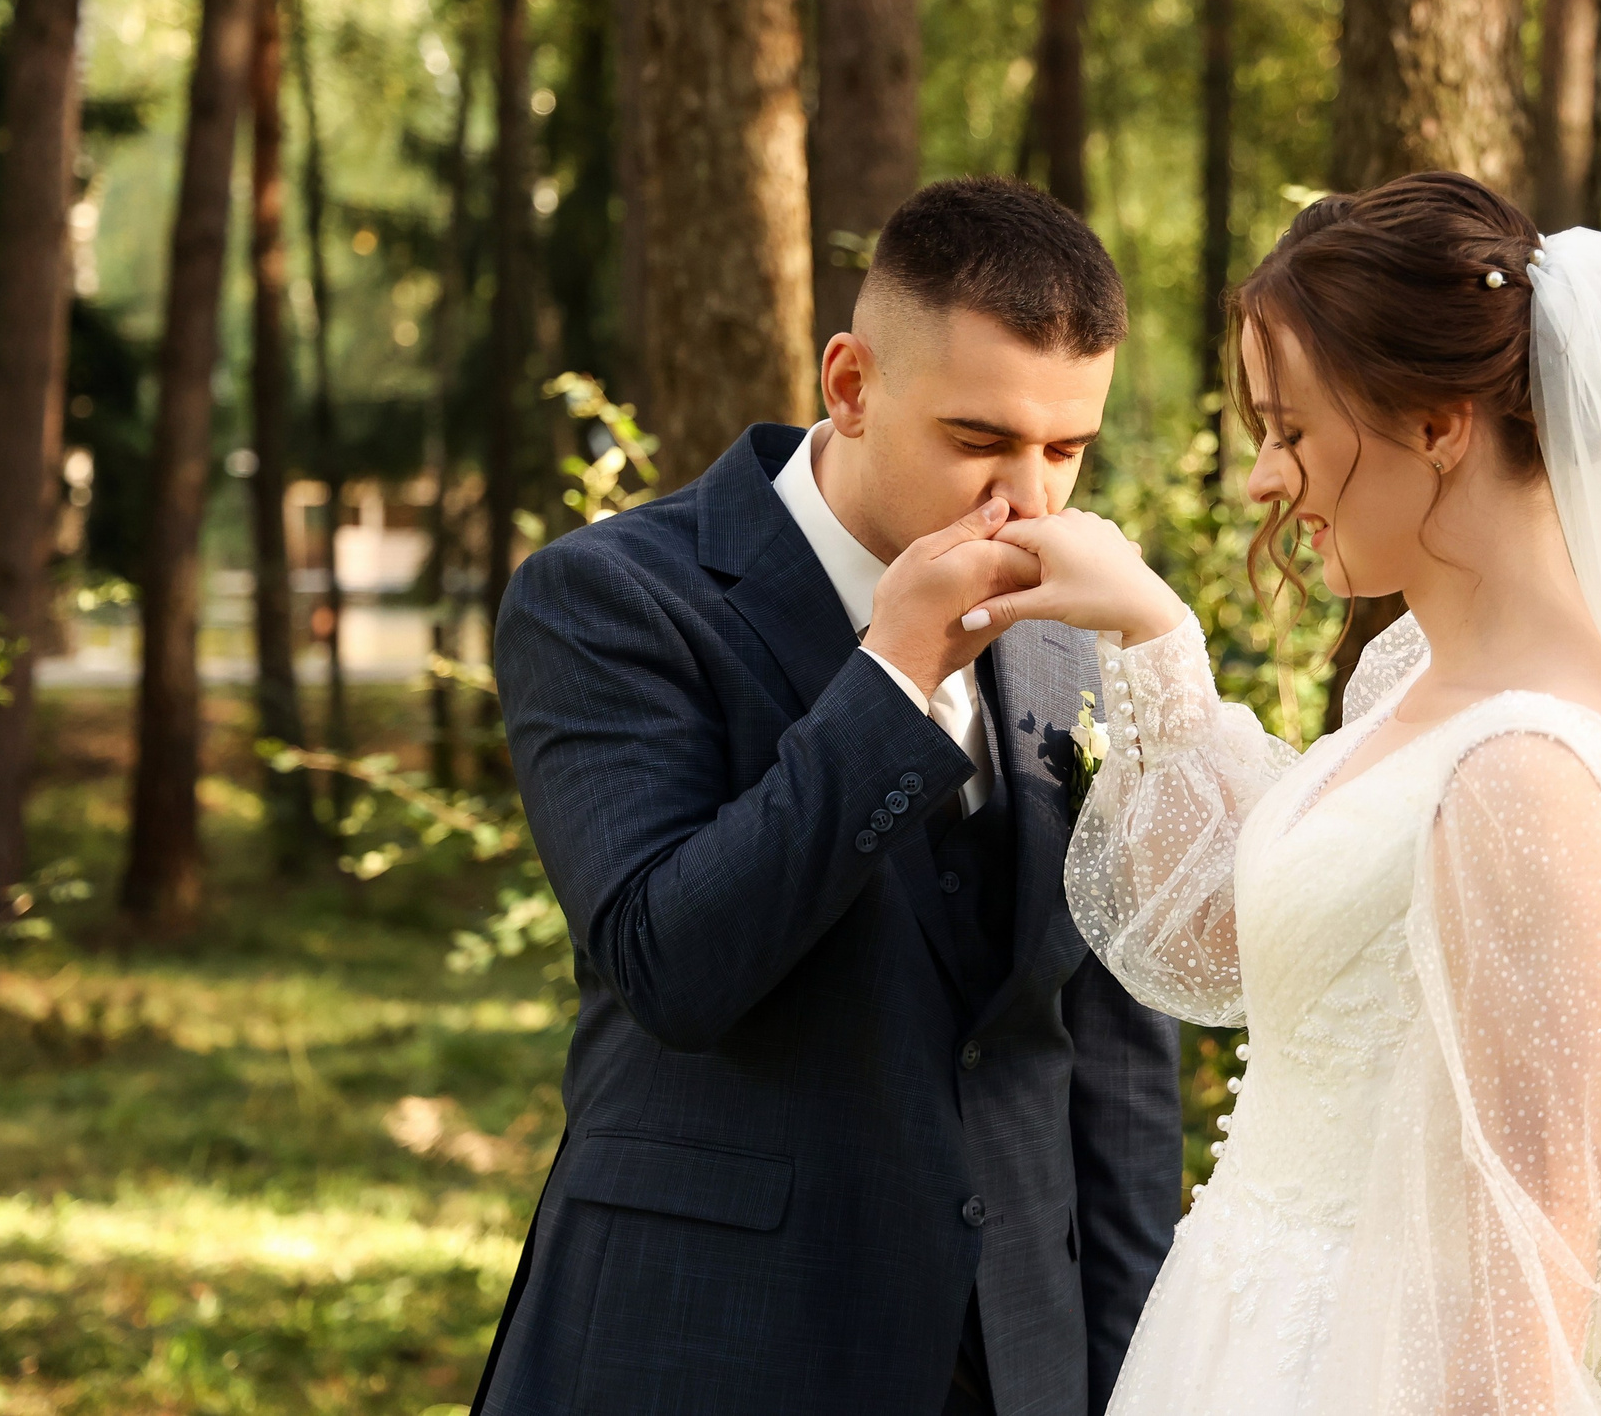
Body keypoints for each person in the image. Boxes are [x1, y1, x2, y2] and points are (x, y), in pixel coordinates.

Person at [967, 173, 1601, 1415]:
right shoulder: (1415, 684)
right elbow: (1229, 937)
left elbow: (1522, 1262)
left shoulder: (1532, 778)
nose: (1265, 483)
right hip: (1243, 1329)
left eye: (1290, 432)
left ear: (1439, 424)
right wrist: (1154, 639)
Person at [475, 176, 1184, 1416]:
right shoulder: (611, 601)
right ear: (849, 386)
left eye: (1066, 450)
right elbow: (670, 966)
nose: (1028, 500)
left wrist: (1132, 1380)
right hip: (705, 1348)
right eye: (978, 441)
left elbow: (1112, 1064)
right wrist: (889, 675)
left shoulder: (1076, 634)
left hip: (1016, 1362)